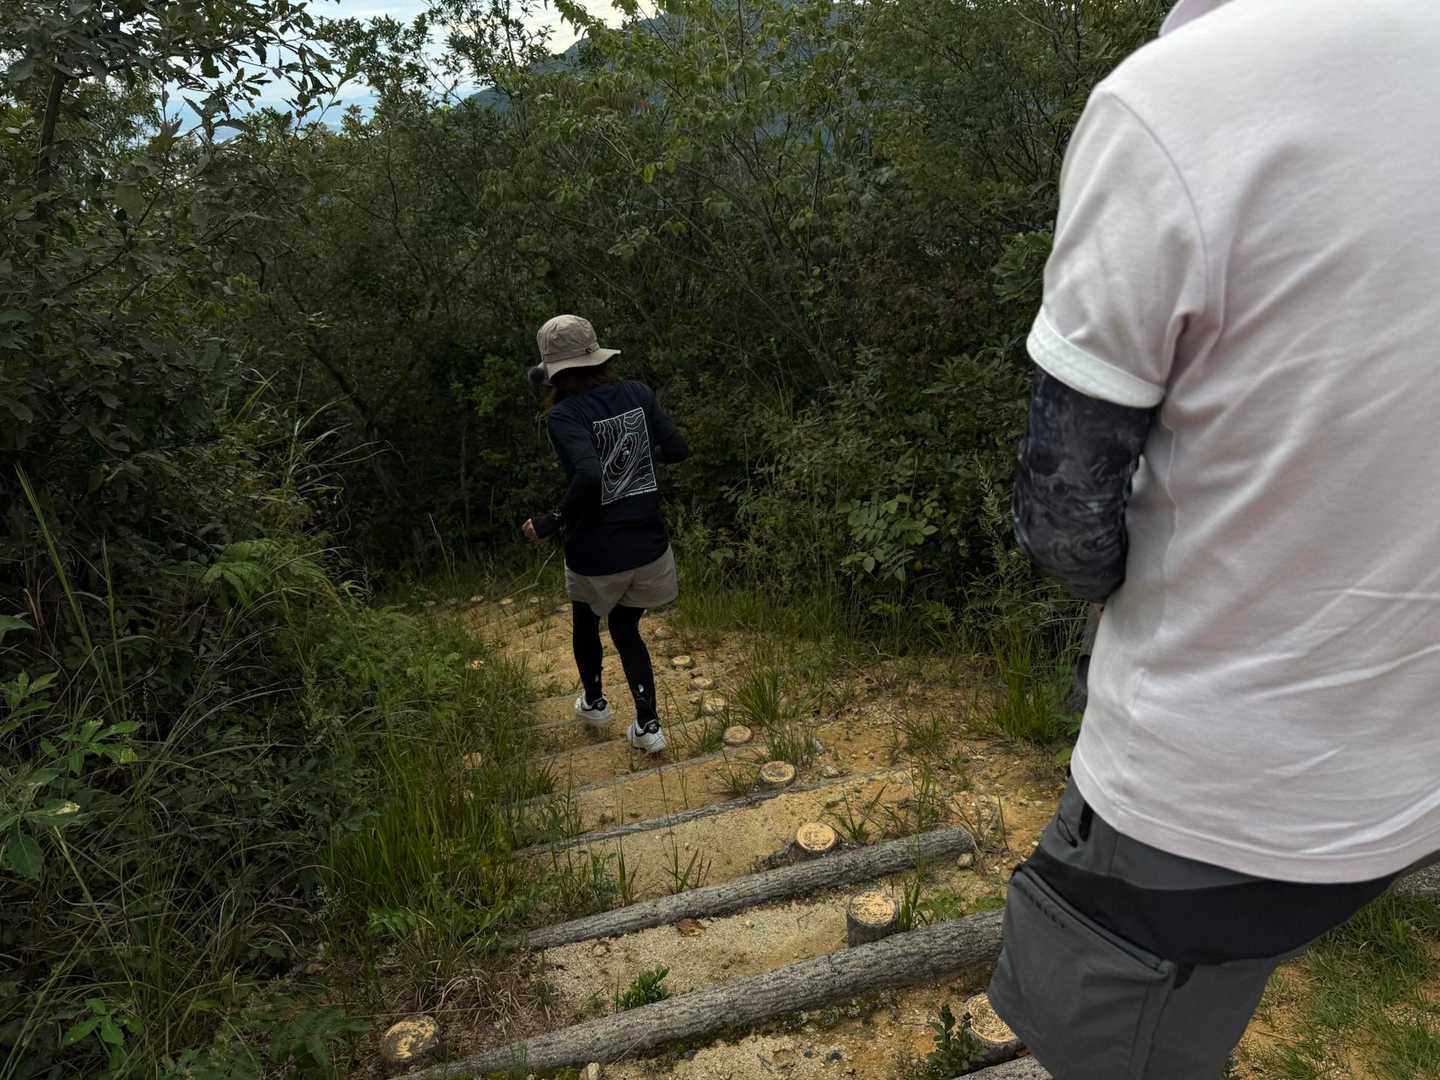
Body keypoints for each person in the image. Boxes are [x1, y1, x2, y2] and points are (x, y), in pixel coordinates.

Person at [986, 1, 1440, 1076]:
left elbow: (1063, 514)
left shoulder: (1177, 100)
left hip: (1212, 788)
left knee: (1109, 1041)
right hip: (1409, 764)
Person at [522, 314, 689, 753]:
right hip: (649, 546)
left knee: (586, 620)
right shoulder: (638, 393)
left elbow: (591, 475)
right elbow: (676, 449)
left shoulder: (564, 415)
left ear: (555, 370)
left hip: (595, 549)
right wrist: (636, 457)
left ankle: (595, 703)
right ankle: (648, 725)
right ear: (597, 356)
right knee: (625, 626)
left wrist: (552, 520)